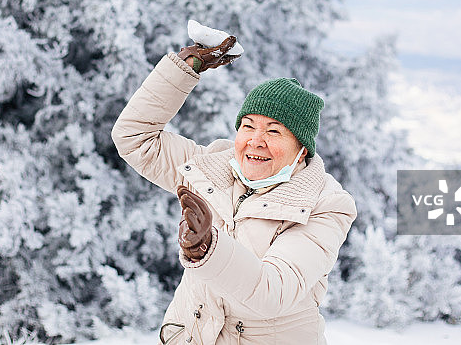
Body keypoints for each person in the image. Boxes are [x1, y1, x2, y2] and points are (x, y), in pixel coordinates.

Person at [111, 34, 357, 345]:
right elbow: (134, 138)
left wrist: (208, 248)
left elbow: (273, 292)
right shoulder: (211, 168)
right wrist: (184, 70)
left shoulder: (325, 205)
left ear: (301, 150)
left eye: (274, 131)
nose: (256, 140)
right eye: (248, 125)